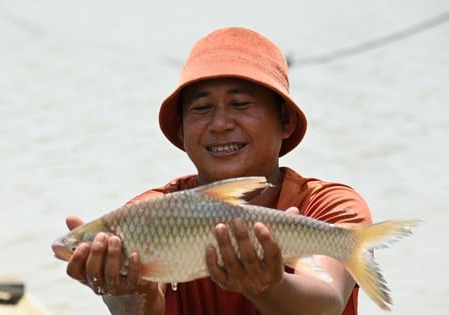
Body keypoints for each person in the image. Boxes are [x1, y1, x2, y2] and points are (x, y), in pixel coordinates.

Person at [63, 27, 372, 315]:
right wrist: (123, 290)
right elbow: (146, 308)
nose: (220, 124)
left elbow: (327, 302)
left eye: (240, 104)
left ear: (285, 121)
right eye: (201, 109)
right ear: (181, 131)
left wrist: (267, 284)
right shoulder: (148, 211)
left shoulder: (329, 205)